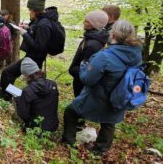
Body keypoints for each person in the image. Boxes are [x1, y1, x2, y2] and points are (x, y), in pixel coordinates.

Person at [61, 20, 143, 155]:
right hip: (120, 97)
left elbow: (87, 80)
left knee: (71, 112)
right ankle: (100, 151)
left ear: (114, 34)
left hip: (98, 97)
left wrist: (83, 66)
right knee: (109, 122)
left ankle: (68, 142)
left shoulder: (104, 57)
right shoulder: (136, 54)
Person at [0, 0, 52, 101]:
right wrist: (28, 28)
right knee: (10, 75)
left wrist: (24, 33)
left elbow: (39, 46)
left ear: (34, 10)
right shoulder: (41, 21)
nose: (29, 12)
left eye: (30, 10)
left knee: (7, 73)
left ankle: (13, 97)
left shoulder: (44, 24)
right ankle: (14, 97)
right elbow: (38, 34)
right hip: (32, 58)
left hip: (33, 59)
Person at [69, 10, 109, 98]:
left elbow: (88, 71)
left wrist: (72, 69)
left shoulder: (92, 45)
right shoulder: (90, 38)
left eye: (87, 21)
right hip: (80, 82)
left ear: (94, 24)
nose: (83, 22)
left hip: (83, 87)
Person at [14, 57, 59, 132]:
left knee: (18, 100)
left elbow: (23, 115)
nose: (25, 78)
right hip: (53, 126)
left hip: (36, 129)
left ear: (28, 75)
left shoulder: (27, 91)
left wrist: (19, 100)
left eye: (25, 75)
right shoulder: (53, 84)